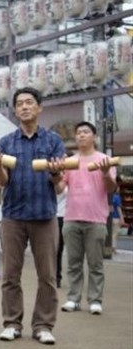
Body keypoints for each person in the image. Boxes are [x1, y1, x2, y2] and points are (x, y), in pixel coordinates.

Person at [0, 87, 65, 345]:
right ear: (15, 110)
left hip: (44, 215)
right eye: (19, 104)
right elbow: (1, 183)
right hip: (13, 216)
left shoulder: (53, 141)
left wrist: (55, 172)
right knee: (10, 274)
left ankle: (43, 325)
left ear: (39, 107)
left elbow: (60, 185)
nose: (24, 107)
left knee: (48, 275)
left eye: (29, 102)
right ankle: (11, 323)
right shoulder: (6, 142)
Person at [57, 121, 117, 316]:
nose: (81, 135)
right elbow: (59, 189)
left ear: (94, 137)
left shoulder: (104, 159)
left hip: (96, 219)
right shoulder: (70, 161)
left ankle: (95, 300)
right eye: (78, 132)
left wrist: (106, 172)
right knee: (73, 262)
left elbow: (111, 189)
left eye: (85, 132)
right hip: (71, 217)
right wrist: (55, 174)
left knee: (95, 263)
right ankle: (73, 298)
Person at [55, 186, 67, 288]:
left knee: (59, 248)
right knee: (56, 249)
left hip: (66, 217)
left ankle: (57, 276)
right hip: (54, 215)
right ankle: (56, 276)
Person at [110, 190, 124, 254]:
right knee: (115, 234)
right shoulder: (117, 197)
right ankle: (113, 248)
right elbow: (118, 208)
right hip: (116, 217)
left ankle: (109, 247)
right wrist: (122, 218)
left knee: (110, 233)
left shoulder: (109, 196)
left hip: (109, 218)